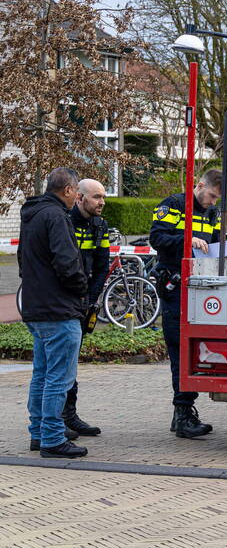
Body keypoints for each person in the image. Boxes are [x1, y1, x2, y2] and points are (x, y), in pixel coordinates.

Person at [17, 168, 90, 458]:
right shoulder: (57, 216)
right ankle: (51, 438)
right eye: (76, 192)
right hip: (59, 310)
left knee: (42, 375)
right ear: (69, 190)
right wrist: (81, 289)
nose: (77, 198)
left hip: (36, 308)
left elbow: (23, 259)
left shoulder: (32, 215)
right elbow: (67, 262)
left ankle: (38, 433)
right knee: (59, 378)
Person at [150, 169, 222, 438]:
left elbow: (212, 246)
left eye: (217, 199)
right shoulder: (173, 205)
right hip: (175, 287)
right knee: (180, 348)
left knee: (194, 350)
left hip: (200, 290)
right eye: (211, 196)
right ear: (200, 185)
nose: (213, 202)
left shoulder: (212, 213)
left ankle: (184, 412)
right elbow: (156, 239)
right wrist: (186, 240)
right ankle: (182, 413)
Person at [62, 178, 110, 438]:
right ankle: (57, 420)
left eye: (103, 197)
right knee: (60, 364)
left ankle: (69, 415)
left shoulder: (99, 226)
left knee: (71, 362)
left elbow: (102, 266)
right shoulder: (63, 222)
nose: (102, 202)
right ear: (79, 197)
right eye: (96, 197)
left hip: (82, 303)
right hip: (62, 302)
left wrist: (91, 300)